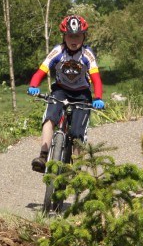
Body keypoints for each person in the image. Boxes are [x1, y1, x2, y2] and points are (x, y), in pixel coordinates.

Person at [27, 14, 105, 172]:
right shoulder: (58, 51)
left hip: (82, 94)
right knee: (50, 119)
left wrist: (98, 98)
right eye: (70, 36)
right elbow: (41, 71)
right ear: (64, 36)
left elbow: (96, 79)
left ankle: (76, 168)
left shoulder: (87, 54)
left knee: (77, 132)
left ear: (84, 37)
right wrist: (34, 85)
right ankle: (43, 156)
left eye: (78, 36)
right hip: (61, 90)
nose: (74, 40)